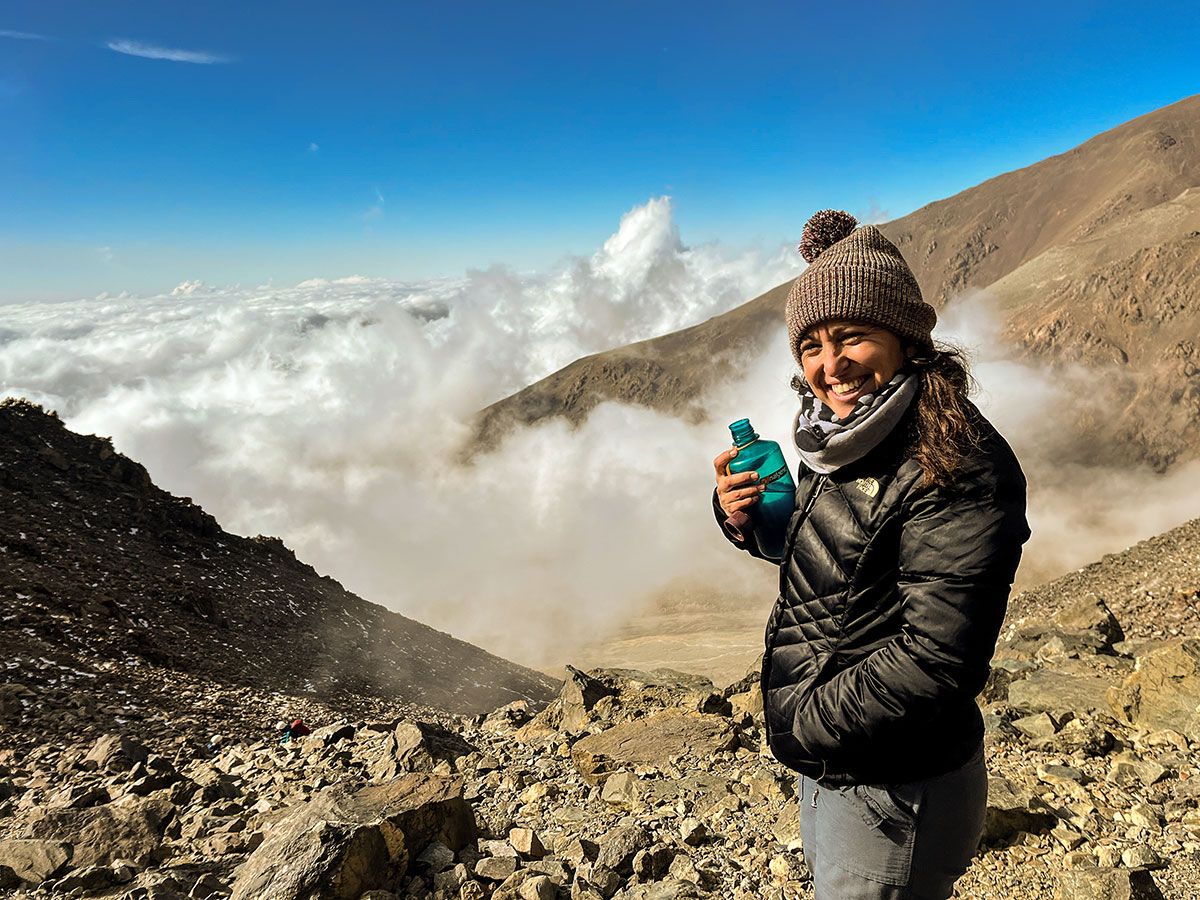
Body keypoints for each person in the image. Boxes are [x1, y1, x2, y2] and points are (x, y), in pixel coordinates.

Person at [712, 209, 1030, 899]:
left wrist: (802, 722)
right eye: (813, 346)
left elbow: (936, 659)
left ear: (905, 338)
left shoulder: (956, 461)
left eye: (852, 335)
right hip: (841, 759)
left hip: (896, 785)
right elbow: (836, 563)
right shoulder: (844, 437)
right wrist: (742, 519)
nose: (831, 365)